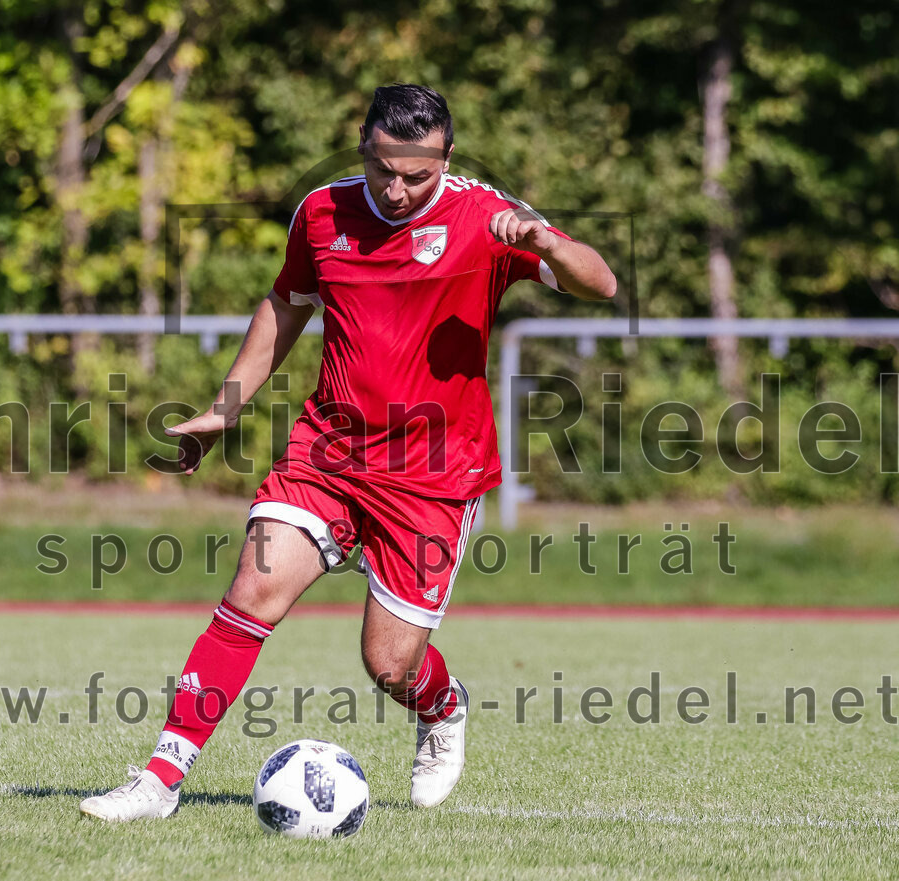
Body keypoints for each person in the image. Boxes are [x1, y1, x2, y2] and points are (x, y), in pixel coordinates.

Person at [79, 83, 616, 821]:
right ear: (362, 146)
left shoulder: (484, 217)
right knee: (251, 593)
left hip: (434, 475)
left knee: (388, 664)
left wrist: (548, 242)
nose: (396, 190)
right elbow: (285, 306)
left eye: (416, 176)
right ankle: (159, 781)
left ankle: (442, 707)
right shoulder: (322, 212)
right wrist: (223, 409)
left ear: (447, 158)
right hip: (327, 453)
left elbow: (601, 282)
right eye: (382, 170)